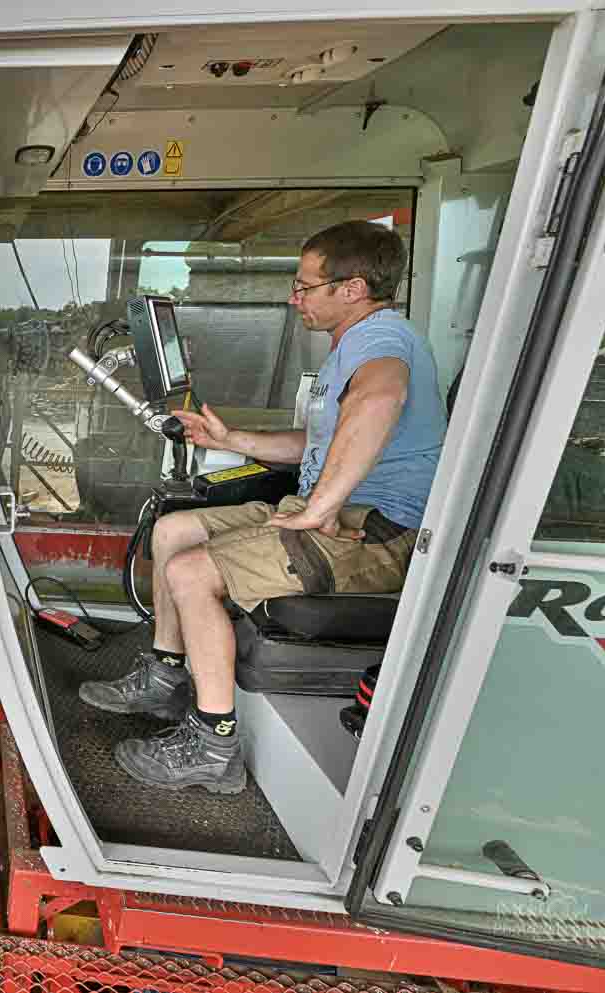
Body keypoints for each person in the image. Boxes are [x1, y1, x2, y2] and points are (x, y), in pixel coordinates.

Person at [78, 220, 447, 794]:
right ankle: (167, 672)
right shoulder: (350, 346)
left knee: (190, 573)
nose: (294, 298)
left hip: (377, 534)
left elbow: (380, 400)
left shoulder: (382, 340)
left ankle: (212, 746)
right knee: (173, 530)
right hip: (328, 510)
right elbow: (316, 444)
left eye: (305, 287)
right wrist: (232, 441)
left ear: (351, 288)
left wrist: (317, 507)